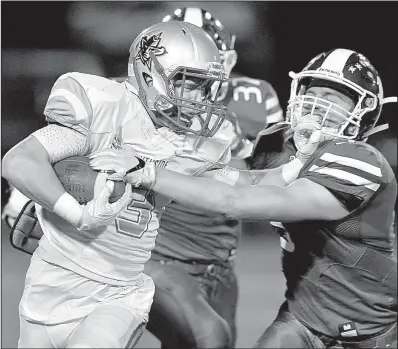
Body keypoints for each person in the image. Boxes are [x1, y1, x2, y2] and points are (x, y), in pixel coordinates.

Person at [91, 48, 398, 348]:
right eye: (313, 93)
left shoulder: (362, 161)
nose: (318, 105)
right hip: (303, 319)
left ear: (363, 111)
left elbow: (236, 201)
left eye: (333, 98)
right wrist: (150, 152)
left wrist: (148, 172)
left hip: (372, 330)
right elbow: (230, 175)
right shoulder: (283, 146)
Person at [1, 21, 240, 348]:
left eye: (203, 86)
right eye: (187, 83)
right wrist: (65, 208)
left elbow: (238, 191)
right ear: (150, 74)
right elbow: (21, 160)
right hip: (51, 288)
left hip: (120, 292)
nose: (197, 98)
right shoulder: (104, 106)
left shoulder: (199, 143)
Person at [137, 8, 283, 349]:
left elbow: (273, 174)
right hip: (156, 259)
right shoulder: (128, 97)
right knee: (207, 339)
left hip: (220, 266)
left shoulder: (253, 98)